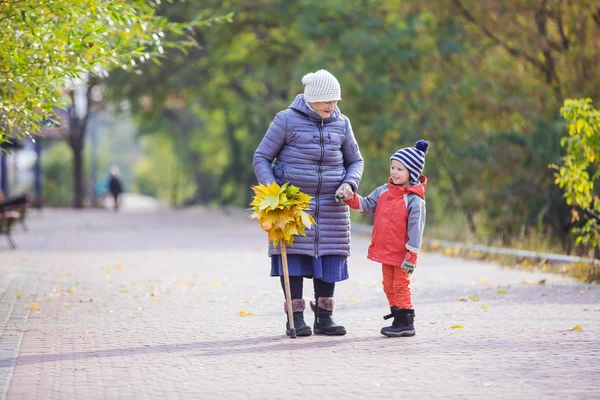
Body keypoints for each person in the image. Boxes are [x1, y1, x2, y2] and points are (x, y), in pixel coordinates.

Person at [253, 69, 364, 337]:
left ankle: (324, 318)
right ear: (312, 99)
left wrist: (350, 183)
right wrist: (275, 193)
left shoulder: (342, 123)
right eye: (327, 101)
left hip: (332, 204)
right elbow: (261, 157)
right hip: (292, 205)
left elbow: (355, 161)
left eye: (335, 101)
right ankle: (296, 318)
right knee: (294, 258)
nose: (332, 106)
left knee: (329, 256)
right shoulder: (286, 120)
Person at [344, 140, 429, 337]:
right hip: (386, 251)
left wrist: (412, 255)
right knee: (388, 285)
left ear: (412, 173)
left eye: (400, 169)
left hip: (403, 254)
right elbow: (366, 205)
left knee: (400, 285)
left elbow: (417, 230)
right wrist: (349, 198)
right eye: (392, 167)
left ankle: (406, 321)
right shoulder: (383, 191)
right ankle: (397, 315)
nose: (394, 172)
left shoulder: (414, 200)